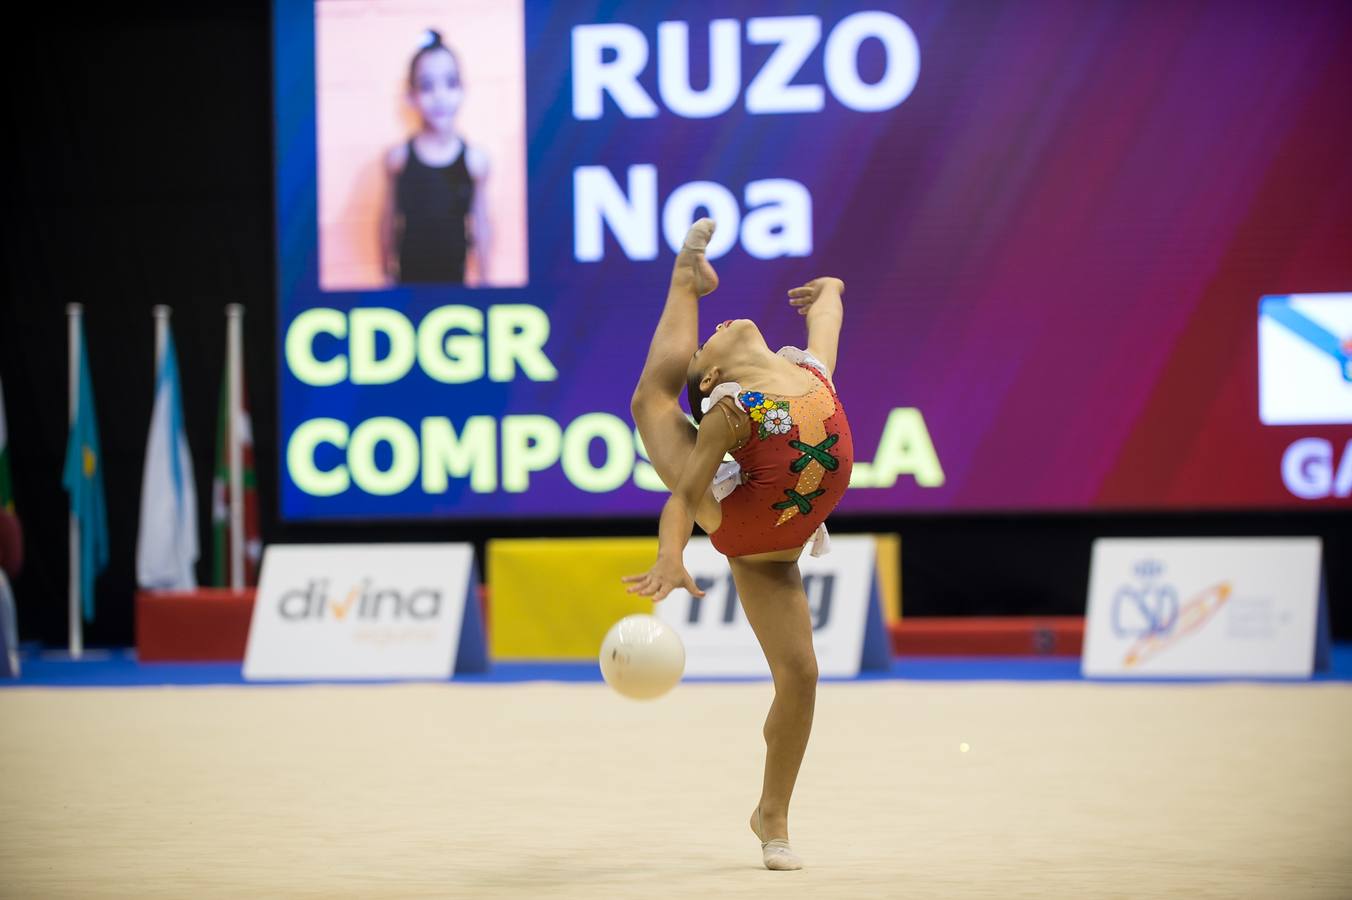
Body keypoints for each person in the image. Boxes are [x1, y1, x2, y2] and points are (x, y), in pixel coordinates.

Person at [623, 218, 852, 871]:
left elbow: (828, 317)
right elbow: (683, 496)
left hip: (776, 554)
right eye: (710, 339)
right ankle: (683, 279)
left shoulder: (808, 373)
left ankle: (770, 812)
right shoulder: (733, 407)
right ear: (715, 372)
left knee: (802, 676)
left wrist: (829, 288)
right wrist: (671, 558)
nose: (724, 326)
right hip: (735, 518)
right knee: (650, 401)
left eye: (717, 324)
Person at [379, 30, 491, 286]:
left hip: (456, 285)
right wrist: (385, 274)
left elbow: (481, 223)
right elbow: (387, 220)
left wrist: (485, 282)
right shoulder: (398, 159)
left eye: (450, 83)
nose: (440, 96)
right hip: (406, 284)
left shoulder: (475, 161)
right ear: (411, 97)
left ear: (462, 90)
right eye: (427, 86)